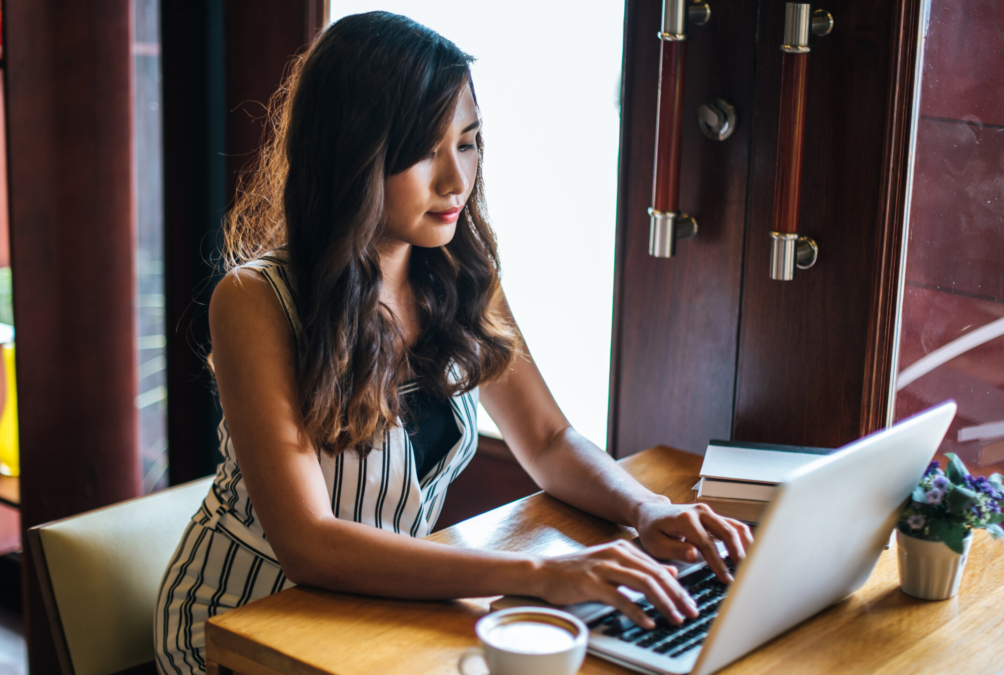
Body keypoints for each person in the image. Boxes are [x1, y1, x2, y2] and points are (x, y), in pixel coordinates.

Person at [154, 12, 752, 675]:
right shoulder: (256, 301)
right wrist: (540, 573)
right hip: (245, 622)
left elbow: (549, 439)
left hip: (379, 612)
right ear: (352, 154)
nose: (456, 180)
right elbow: (310, 543)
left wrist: (648, 511)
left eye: (467, 143)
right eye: (423, 151)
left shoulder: (461, 274)